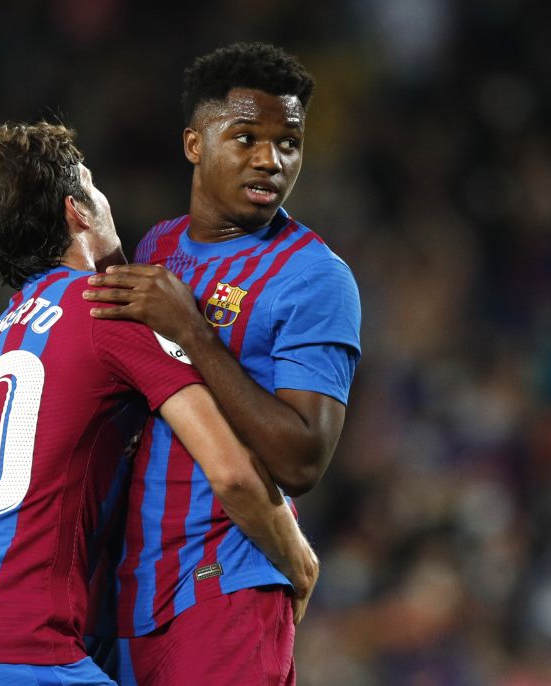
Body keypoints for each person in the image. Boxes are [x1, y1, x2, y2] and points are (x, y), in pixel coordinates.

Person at [0, 122, 318, 686]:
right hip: (18, 651)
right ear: (78, 211)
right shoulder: (109, 309)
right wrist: (298, 562)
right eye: (93, 185)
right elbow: (231, 473)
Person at [83, 42, 362, 684]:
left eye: (288, 142)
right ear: (194, 145)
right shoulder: (158, 247)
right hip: (125, 603)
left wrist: (196, 335)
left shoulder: (314, 277)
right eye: (246, 138)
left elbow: (303, 459)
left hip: (226, 591)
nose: (271, 159)